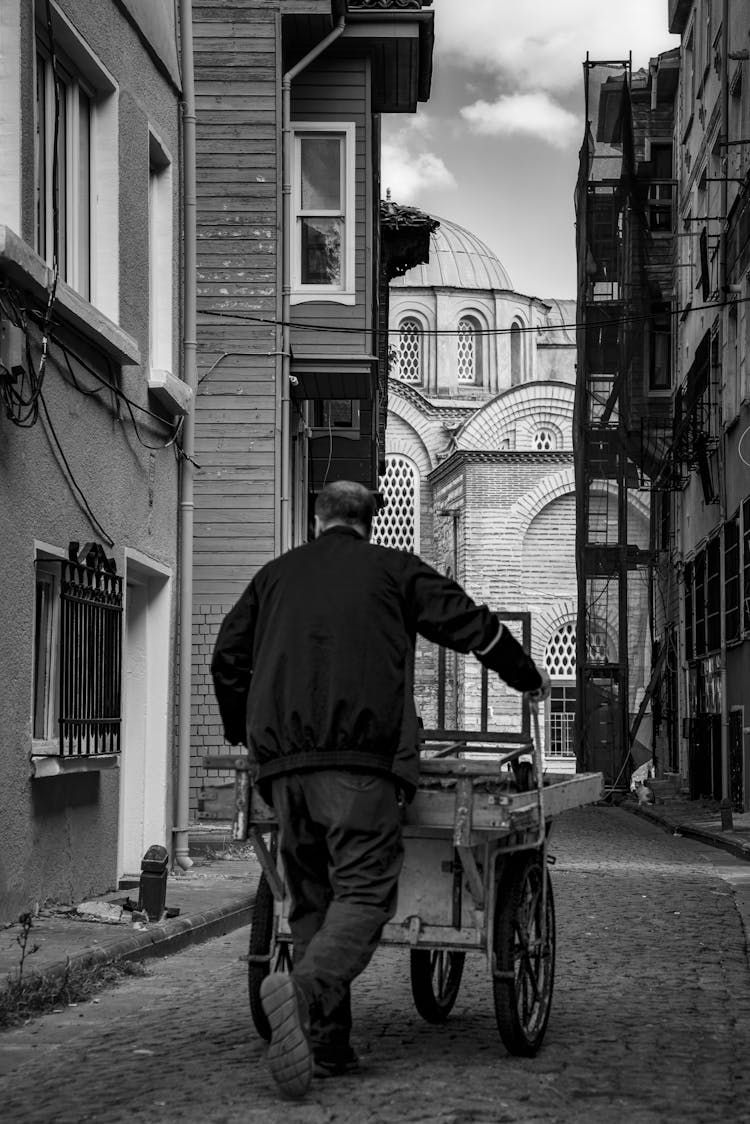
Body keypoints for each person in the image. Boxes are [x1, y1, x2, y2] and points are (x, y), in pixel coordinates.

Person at [211, 480, 550, 1100]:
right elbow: (470, 624)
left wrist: (244, 731)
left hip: (283, 768)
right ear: (373, 520)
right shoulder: (394, 570)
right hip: (360, 761)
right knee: (366, 893)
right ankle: (306, 990)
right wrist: (527, 676)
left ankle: (328, 1045)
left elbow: (227, 657)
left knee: (310, 899)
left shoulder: (274, 576)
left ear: (317, 518)